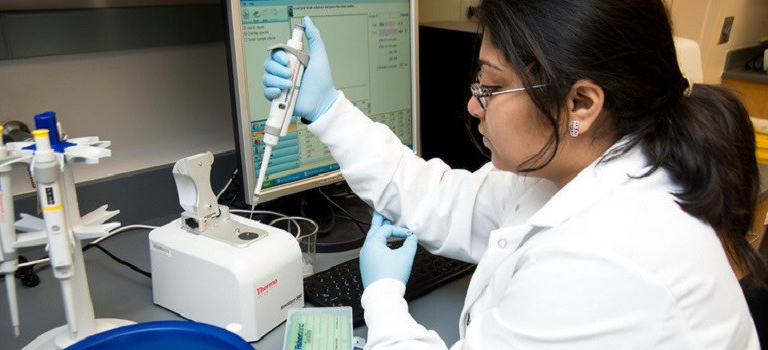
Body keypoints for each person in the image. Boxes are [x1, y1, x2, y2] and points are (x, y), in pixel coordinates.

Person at [263, 0, 767, 348]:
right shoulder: (582, 165)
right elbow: (441, 197)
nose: (472, 104)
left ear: (582, 103)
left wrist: (382, 299)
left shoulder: (605, 259)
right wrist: (328, 109)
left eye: (491, 87)